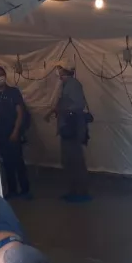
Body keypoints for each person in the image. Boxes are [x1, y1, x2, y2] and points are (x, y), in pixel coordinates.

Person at [45, 60, 91, 202]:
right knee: (68, 160)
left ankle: (80, 192)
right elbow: (63, 103)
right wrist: (53, 111)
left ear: (65, 70)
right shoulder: (65, 85)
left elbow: (77, 106)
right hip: (67, 127)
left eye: (60, 69)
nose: (58, 72)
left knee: (75, 160)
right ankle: (73, 190)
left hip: (72, 128)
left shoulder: (73, 85)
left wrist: (62, 111)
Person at [0, 66, 31, 198]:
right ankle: (12, 190)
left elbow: (20, 113)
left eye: (0, 75)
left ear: (5, 75)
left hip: (13, 131)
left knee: (18, 161)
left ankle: (25, 190)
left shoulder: (13, 92)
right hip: (0, 133)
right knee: (7, 163)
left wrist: (16, 131)